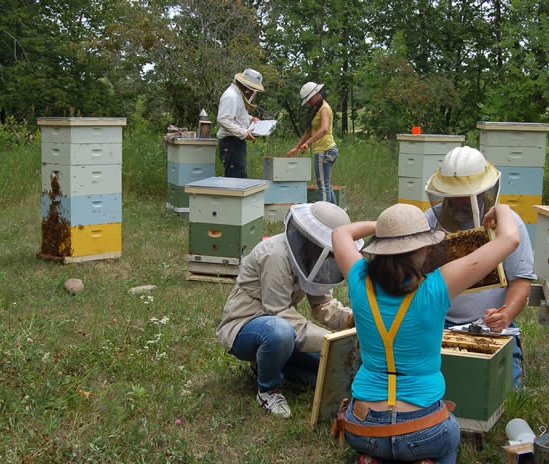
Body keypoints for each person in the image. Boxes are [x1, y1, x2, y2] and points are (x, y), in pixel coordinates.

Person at [331, 203, 519, 464]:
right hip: (424, 432)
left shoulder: (357, 277)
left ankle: (375, 458)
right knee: (449, 437)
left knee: (380, 443)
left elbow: (340, 233)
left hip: (363, 429)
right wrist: (501, 208)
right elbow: (510, 238)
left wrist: (386, 229)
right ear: (421, 249)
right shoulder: (438, 285)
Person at [216, 202, 361, 418]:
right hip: (244, 327)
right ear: (311, 238)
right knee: (280, 332)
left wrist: (351, 320)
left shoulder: (312, 256)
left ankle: (268, 363)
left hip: (282, 329)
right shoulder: (275, 254)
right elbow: (279, 313)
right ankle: (268, 389)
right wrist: (331, 340)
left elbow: (322, 304)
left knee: (331, 372)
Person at [424, 146, 536, 389]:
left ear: (485, 192)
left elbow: (521, 281)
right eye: (453, 194)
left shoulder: (509, 225)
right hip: (437, 320)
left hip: (489, 325)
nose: (458, 202)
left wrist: (505, 314)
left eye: (466, 195)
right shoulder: (429, 221)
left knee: (502, 390)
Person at [287, 82, 338, 204]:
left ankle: (325, 217)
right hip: (326, 150)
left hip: (324, 151)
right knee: (326, 185)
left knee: (323, 186)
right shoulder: (318, 109)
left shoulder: (324, 109)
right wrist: (297, 147)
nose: (308, 102)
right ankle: (336, 214)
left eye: (309, 99)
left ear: (316, 94)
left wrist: (308, 143)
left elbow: (324, 129)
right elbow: (309, 131)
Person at [216, 68, 264, 178]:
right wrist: (244, 133)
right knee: (235, 180)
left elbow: (237, 116)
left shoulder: (237, 95)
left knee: (239, 177)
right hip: (230, 142)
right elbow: (223, 119)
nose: (252, 93)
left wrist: (250, 119)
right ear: (247, 87)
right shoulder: (231, 96)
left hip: (235, 142)